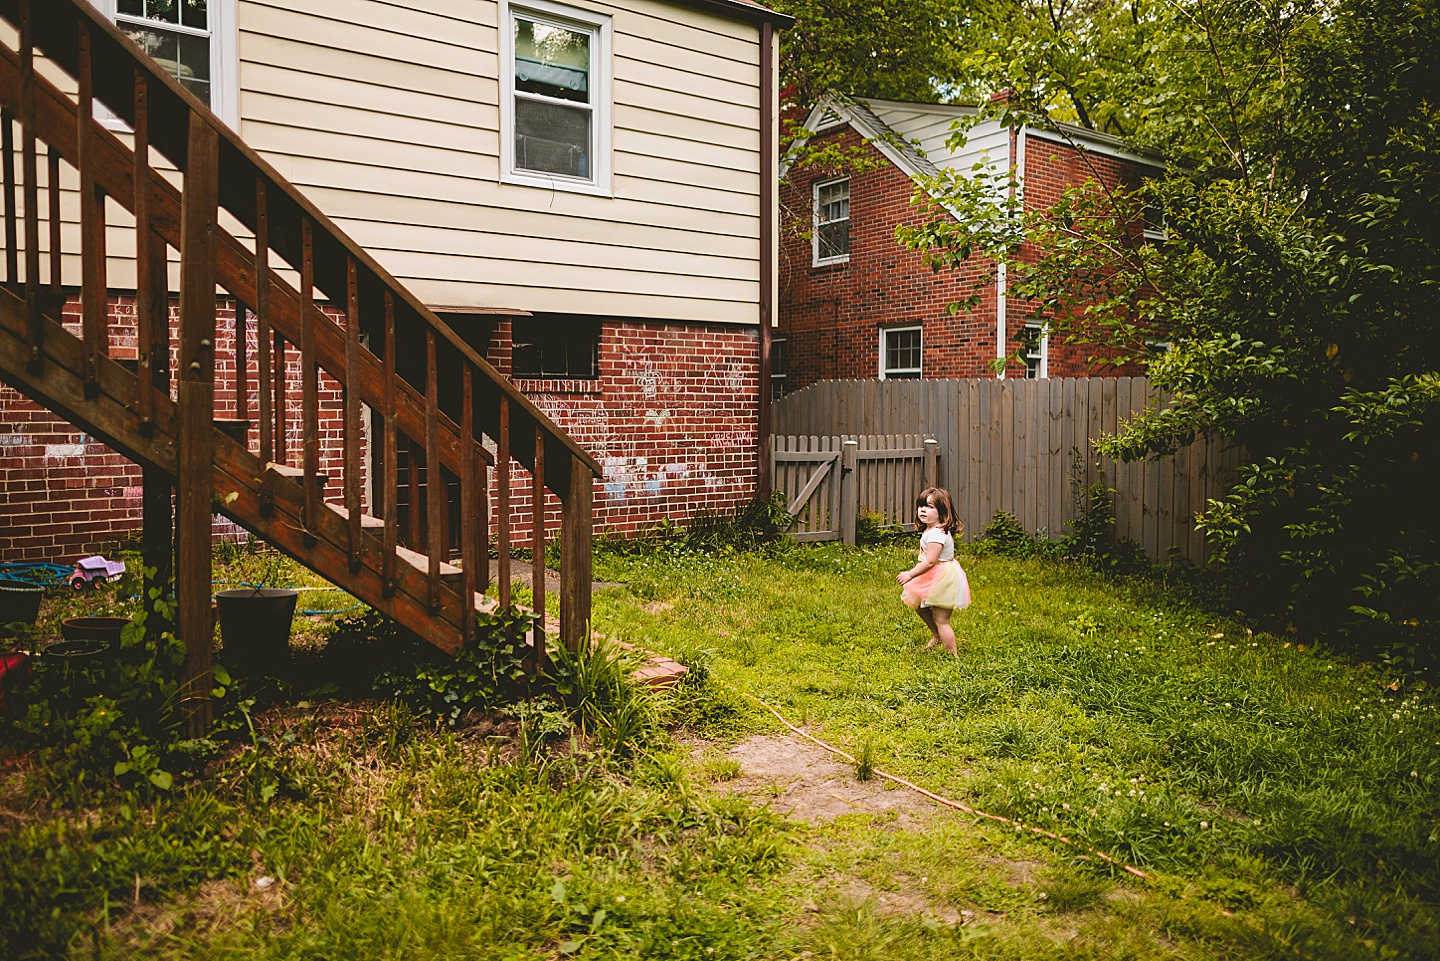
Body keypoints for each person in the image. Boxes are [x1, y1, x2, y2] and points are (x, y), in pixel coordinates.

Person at [897, 487, 971, 655]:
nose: (923, 509)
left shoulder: (937, 534)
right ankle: (936, 634)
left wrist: (910, 574)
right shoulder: (930, 530)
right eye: (921, 505)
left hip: (942, 577)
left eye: (930, 507)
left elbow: (930, 561)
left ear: (943, 513)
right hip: (932, 575)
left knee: (941, 619)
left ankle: (952, 654)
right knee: (919, 605)